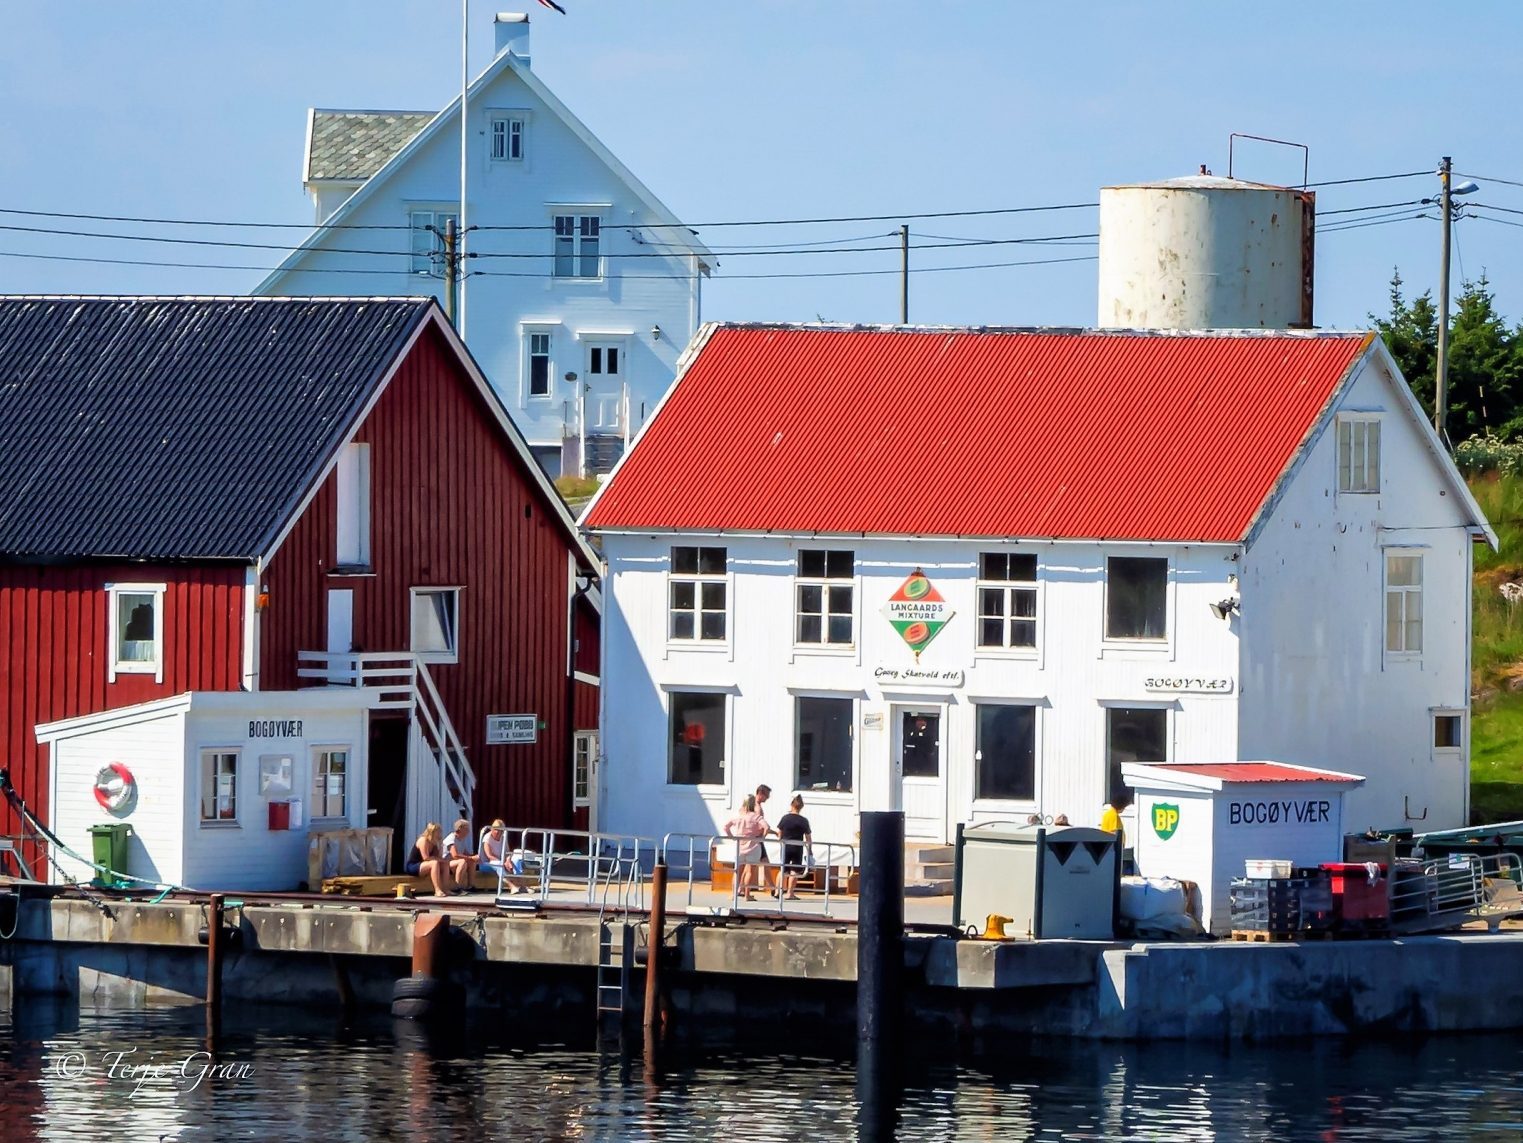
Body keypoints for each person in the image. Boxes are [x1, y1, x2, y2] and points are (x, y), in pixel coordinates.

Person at [723, 794, 769, 901]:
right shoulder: (756, 816)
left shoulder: (737, 816)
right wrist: (762, 838)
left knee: (737, 871)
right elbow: (766, 827)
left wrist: (732, 837)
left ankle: (734, 894)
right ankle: (747, 895)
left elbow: (726, 827)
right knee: (749, 871)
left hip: (740, 846)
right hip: (753, 846)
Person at [774, 795, 813, 901]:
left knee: (783, 869)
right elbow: (808, 837)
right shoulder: (804, 820)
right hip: (798, 846)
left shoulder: (785, 818)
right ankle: (790, 893)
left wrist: (780, 839)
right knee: (795, 870)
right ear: (801, 807)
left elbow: (779, 833)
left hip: (786, 845)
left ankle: (778, 891)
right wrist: (810, 851)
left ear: (792, 805)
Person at [404, 822, 457, 896]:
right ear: (432, 832)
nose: (440, 834)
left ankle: (445, 889)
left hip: (425, 865)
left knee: (445, 864)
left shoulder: (434, 843)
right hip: (414, 865)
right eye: (438, 832)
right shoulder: (423, 840)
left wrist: (441, 846)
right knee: (434, 863)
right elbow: (426, 858)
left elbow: (438, 857)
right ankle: (437, 890)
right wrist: (440, 860)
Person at [479, 819, 526, 892]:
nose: (497, 832)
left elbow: (507, 853)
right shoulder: (487, 838)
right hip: (486, 864)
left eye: (500, 830)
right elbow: (489, 856)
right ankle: (511, 886)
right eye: (495, 829)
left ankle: (523, 885)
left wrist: (507, 860)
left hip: (500, 861)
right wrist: (503, 862)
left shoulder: (503, 837)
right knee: (499, 864)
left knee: (516, 861)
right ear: (491, 829)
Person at [441, 818, 477, 892]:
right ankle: (457, 887)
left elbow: (466, 853)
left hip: (453, 863)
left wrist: (475, 857)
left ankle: (470, 886)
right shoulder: (451, 838)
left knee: (472, 862)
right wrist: (470, 857)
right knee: (462, 862)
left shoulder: (461, 839)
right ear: (460, 829)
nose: (468, 831)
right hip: (446, 863)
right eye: (466, 829)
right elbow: (455, 855)